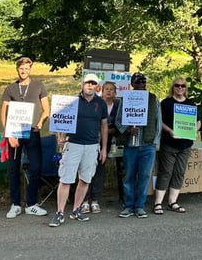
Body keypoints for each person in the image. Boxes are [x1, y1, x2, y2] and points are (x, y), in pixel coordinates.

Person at [49, 73, 108, 227]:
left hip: (92, 146)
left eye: (93, 83)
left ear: (97, 86)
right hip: (73, 144)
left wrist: (104, 148)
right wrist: (60, 136)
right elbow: (61, 119)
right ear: (82, 84)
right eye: (87, 83)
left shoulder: (101, 103)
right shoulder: (72, 101)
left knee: (85, 179)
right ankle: (60, 212)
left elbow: (104, 126)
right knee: (66, 179)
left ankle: (76, 210)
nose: (90, 86)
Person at [0, 57, 50, 219]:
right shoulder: (11, 88)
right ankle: (15, 204)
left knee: (35, 168)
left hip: (32, 133)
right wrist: (9, 133)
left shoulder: (39, 86)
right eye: (21, 69)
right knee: (14, 169)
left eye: (27, 69)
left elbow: (46, 110)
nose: (24, 71)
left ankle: (31, 204)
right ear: (17, 69)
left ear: (30, 69)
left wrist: (41, 123)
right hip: (14, 134)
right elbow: (3, 113)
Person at [116, 72, 161, 218]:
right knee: (129, 176)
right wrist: (128, 129)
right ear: (132, 84)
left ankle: (140, 206)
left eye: (143, 81)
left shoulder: (153, 99)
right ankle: (128, 206)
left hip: (148, 144)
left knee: (145, 176)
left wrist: (156, 141)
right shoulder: (125, 99)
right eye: (138, 82)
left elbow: (158, 122)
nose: (141, 84)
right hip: (131, 145)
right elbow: (118, 120)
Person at [153, 77, 201, 215]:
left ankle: (172, 202)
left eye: (183, 86)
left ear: (186, 88)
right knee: (165, 172)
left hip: (185, 145)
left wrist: (195, 130)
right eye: (177, 86)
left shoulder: (191, 105)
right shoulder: (166, 103)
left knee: (179, 172)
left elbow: (198, 122)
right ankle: (158, 203)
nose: (180, 88)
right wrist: (169, 131)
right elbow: (159, 122)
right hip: (169, 143)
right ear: (172, 87)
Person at [81, 81, 120, 214]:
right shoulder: (96, 103)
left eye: (111, 89)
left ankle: (95, 200)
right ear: (101, 91)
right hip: (89, 141)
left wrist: (107, 132)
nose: (108, 91)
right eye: (106, 89)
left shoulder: (117, 106)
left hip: (106, 143)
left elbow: (118, 127)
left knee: (99, 171)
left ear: (115, 93)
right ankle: (84, 200)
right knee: (86, 170)